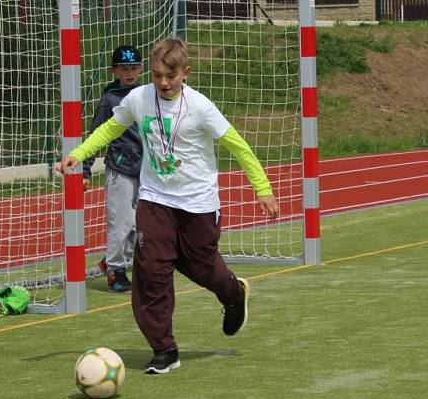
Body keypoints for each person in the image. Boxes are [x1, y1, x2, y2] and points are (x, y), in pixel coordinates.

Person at [56, 37, 279, 374]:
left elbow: (240, 147)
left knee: (201, 267)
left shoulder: (201, 107)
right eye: (157, 75)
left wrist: (263, 189)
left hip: (198, 202)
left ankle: (233, 293)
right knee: (152, 270)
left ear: (185, 73)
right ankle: (164, 349)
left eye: (170, 76)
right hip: (155, 198)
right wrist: (79, 154)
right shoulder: (138, 98)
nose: (163, 83)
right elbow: (110, 128)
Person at [83, 45, 145, 292]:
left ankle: (112, 260)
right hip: (120, 169)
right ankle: (116, 272)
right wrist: (85, 170)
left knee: (144, 225)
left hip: (147, 171)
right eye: (124, 69)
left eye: (133, 68)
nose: (129, 73)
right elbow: (97, 134)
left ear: (141, 69)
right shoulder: (110, 99)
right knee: (122, 224)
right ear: (114, 71)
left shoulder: (145, 95)